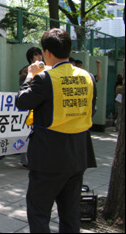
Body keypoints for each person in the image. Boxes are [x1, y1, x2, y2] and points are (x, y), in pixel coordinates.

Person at [16, 28, 97, 233]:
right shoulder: (87, 77)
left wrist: (30, 76)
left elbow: (22, 102)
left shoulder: (45, 78)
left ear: (47, 52)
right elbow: (91, 110)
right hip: (79, 153)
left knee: (39, 211)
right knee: (70, 213)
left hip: (49, 156)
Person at [18, 47, 43, 167]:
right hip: (29, 107)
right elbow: (23, 87)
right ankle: (26, 160)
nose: (39, 57)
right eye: (36, 55)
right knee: (26, 133)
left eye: (40, 55)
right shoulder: (25, 71)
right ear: (30, 58)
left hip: (40, 108)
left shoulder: (46, 70)